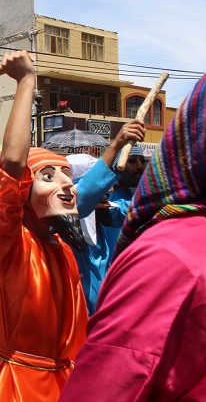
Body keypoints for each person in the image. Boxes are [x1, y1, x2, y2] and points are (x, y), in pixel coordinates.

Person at [61, 70, 206, 401]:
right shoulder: (62, 222)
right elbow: (81, 198)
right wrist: (116, 145)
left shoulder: (131, 217)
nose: (110, 184)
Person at [0, 51, 88, 401]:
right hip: (17, 388)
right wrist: (25, 82)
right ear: (21, 191)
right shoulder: (8, 241)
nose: (67, 184)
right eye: (48, 176)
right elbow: (12, 165)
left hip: (70, 387)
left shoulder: (61, 246)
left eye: (68, 175)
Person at [67, 120, 146, 314]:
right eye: (102, 181)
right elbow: (85, 195)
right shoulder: (62, 224)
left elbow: (136, 210)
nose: (107, 187)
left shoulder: (105, 212)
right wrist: (116, 145)